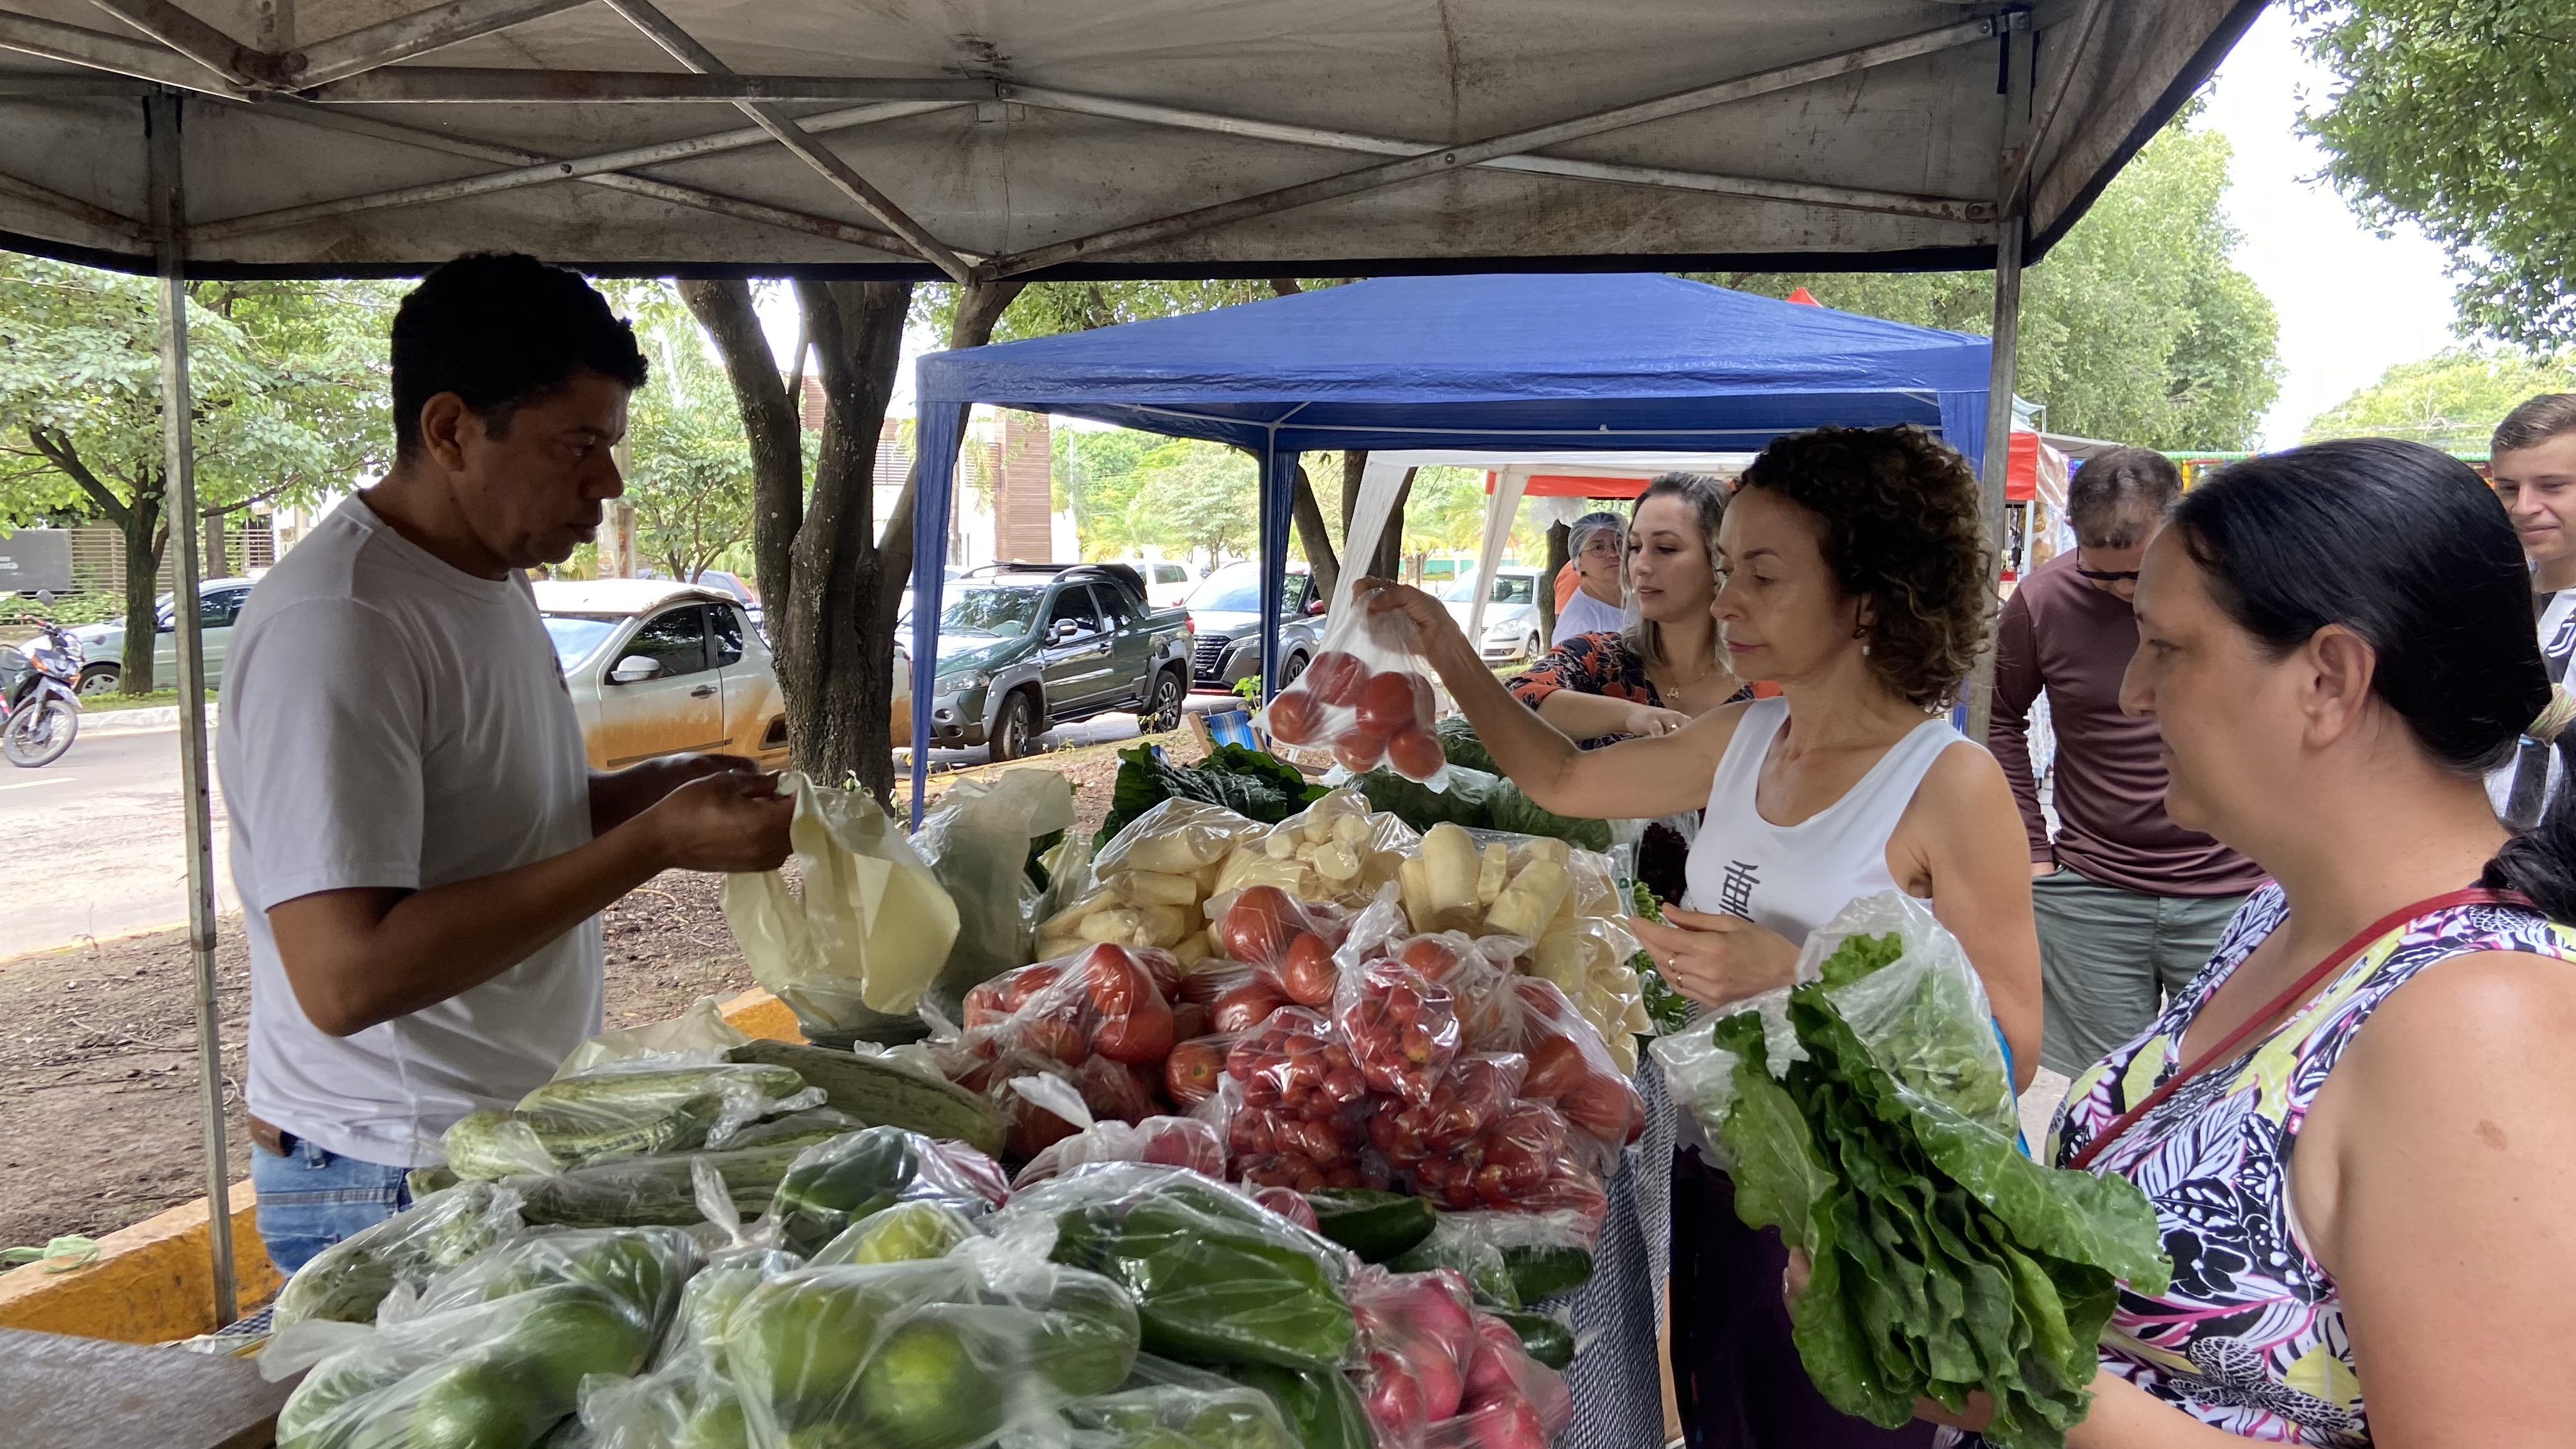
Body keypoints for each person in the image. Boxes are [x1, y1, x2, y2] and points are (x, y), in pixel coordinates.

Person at [1363, 425, 2040, 1449]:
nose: (1727, 604)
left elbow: (2012, 1044)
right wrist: (1444, 646)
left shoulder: (1948, 783)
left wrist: (1796, 976)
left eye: (1763, 577)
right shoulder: (1750, 733)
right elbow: (1563, 780)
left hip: (1863, 1220)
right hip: (1721, 1182)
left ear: (1871, 595)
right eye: (1727, 571)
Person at [1917, 438, 2576, 1447]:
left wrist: (2026, 1380)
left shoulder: (2484, 1025)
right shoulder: (2285, 907)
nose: (2133, 694)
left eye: (2168, 648)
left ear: (2329, 679)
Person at [218, 254, 795, 1273]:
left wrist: (653, 794)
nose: (607, 483)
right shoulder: (344, 621)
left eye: (610, 445)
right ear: (449, 431)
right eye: (576, 444)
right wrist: (653, 844)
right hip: (388, 1172)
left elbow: (491, 820)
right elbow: (345, 977)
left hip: (493, 1141)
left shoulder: (489, 575)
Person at [1988, 447, 2266, 1075]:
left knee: (2228, 1084)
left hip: (2231, 888)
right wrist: (2033, 850)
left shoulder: (2247, 595)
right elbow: (1998, 716)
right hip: (2094, 894)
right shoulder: (2042, 602)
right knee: (2106, 1092)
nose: (2121, 593)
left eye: (2138, 575)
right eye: (2100, 574)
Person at [1509, 475, 1744, 748]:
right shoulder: (1598, 659)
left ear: (1720, 562)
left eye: (1665, 548)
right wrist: (1631, 715)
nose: (1640, 565)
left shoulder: (1767, 680)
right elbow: (1514, 700)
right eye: (1634, 547)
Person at [2486, 393, 2576, 827]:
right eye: (2508, 489)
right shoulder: (2486, 590)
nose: (2524, 507)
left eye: (2552, 486)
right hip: (2478, 864)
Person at [1551, 509, 1630, 644]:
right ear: (1578, 562)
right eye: (1598, 547)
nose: (1613, 553)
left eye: (1618, 543)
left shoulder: (1637, 601)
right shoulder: (1577, 624)